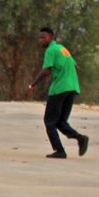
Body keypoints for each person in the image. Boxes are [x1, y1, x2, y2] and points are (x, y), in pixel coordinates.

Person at [28, 27, 89, 158]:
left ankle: (59, 150)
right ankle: (81, 138)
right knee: (61, 121)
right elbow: (76, 67)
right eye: (40, 38)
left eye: (43, 37)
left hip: (59, 89)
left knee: (49, 122)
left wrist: (33, 85)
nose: (41, 40)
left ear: (51, 37)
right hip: (72, 88)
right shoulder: (63, 49)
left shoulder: (51, 50)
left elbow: (46, 71)